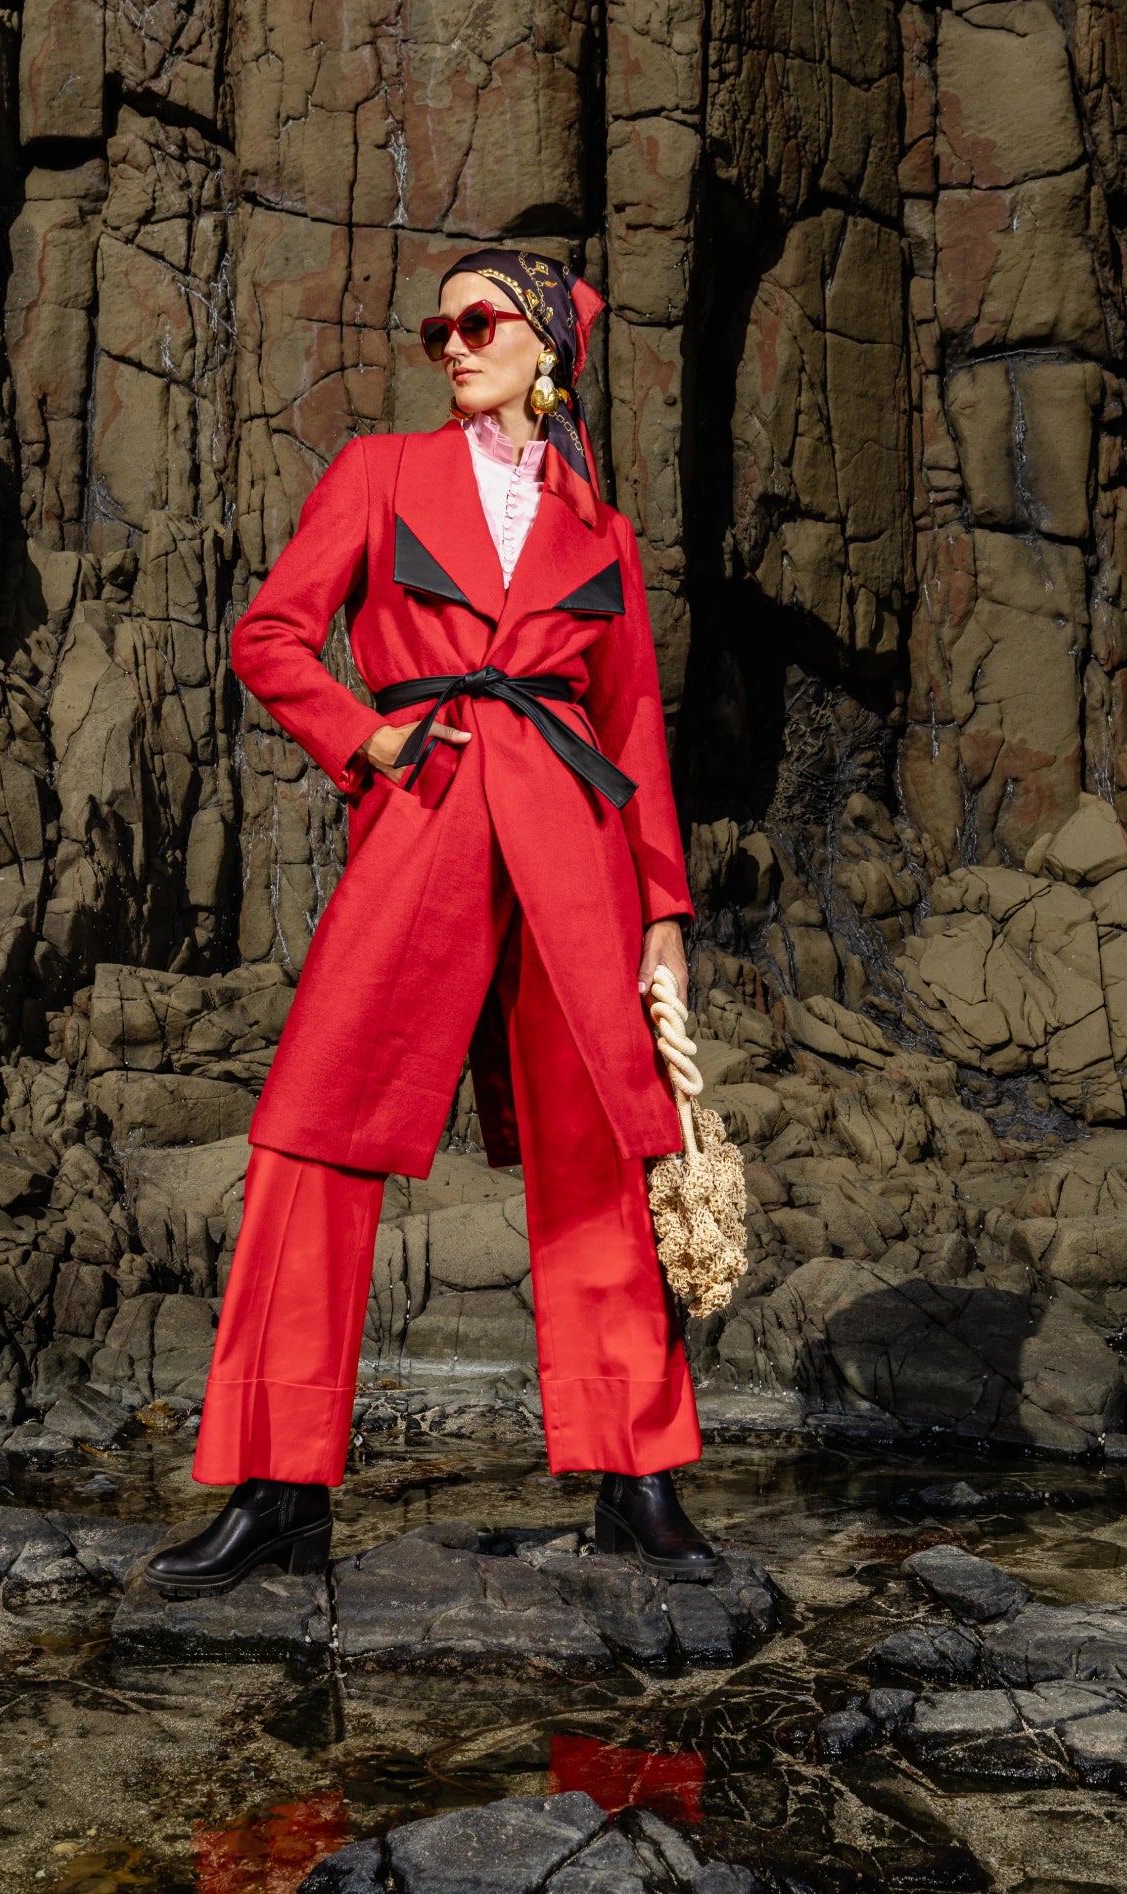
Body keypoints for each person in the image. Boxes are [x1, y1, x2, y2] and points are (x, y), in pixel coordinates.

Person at [146, 248, 718, 1598]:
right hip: (423, 819)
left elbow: (633, 724)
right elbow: (272, 636)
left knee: (605, 1148)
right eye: (439, 327)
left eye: (478, 321)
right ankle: (277, 1489)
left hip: (574, 844)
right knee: (310, 1135)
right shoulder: (379, 474)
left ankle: (639, 1480)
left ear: (547, 349)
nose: (450, 345)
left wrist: (665, 917)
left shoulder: (606, 534)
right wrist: (367, 736)